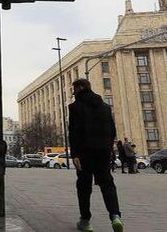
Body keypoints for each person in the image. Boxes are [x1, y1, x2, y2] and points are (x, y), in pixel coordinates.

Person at [68, 78, 124, 232]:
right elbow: (112, 130)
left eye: (74, 89)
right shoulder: (105, 107)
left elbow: (74, 132)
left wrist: (75, 154)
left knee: (84, 186)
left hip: (84, 153)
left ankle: (85, 221)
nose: (73, 93)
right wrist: (108, 149)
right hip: (103, 152)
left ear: (80, 87)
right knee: (107, 184)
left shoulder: (75, 107)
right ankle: (115, 216)